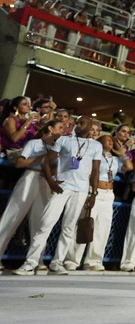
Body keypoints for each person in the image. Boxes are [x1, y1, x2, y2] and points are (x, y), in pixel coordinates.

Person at [14, 115, 101, 275]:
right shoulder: (64, 140)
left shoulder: (96, 146)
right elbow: (46, 161)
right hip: (62, 187)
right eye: (78, 122)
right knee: (45, 223)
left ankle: (57, 262)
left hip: (81, 190)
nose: (78, 124)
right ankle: (30, 263)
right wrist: (51, 182)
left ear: (90, 127)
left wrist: (93, 194)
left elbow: (95, 171)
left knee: (68, 228)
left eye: (83, 123)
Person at [0, 119, 67, 269]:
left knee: (41, 222)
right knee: (12, 217)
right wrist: (41, 157)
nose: (63, 130)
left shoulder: (58, 148)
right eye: (60, 127)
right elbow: (19, 163)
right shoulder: (34, 143)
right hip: (30, 177)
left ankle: (38, 260)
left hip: (46, 183)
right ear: (50, 128)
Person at [80, 132, 133, 271]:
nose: (110, 141)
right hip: (94, 192)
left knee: (102, 228)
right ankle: (73, 260)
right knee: (85, 225)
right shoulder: (94, 155)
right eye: (106, 139)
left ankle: (94, 260)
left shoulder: (115, 159)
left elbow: (129, 166)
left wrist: (118, 152)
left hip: (108, 195)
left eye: (111, 140)